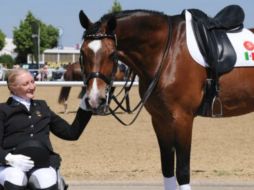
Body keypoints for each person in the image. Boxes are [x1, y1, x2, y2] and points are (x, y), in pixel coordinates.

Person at [0, 69, 91, 190]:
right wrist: (8, 158)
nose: (32, 86)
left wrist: (86, 106)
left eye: (33, 82)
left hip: (42, 163)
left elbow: (71, 133)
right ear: (13, 87)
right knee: (15, 177)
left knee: (47, 179)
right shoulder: (3, 110)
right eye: (26, 84)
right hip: (10, 165)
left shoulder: (42, 107)